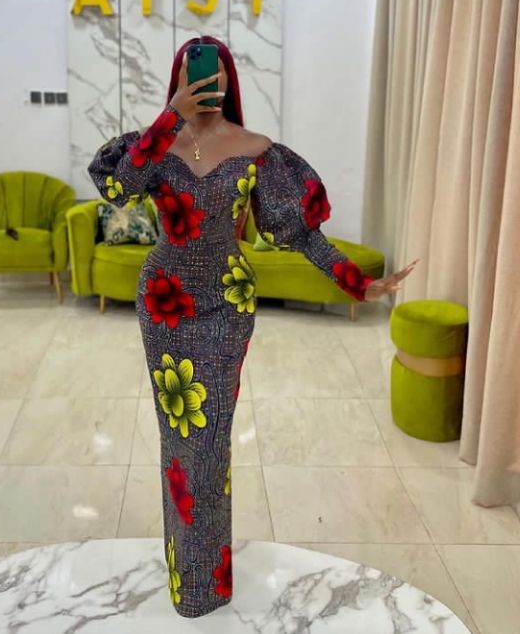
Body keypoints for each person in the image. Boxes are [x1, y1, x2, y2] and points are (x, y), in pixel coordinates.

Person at [88, 35, 418, 618]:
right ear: (178, 77)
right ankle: (190, 578)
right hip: (164, 303)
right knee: (179, 438)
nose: (206, 81)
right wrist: (170, 118)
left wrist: (358, 283)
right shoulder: (153, 146)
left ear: (229, 78)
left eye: (215, 71)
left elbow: (298, 233)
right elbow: (117, 188)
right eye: (194, 71)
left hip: (228, 303)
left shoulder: (258, 151)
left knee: (210, 438)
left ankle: (207, 581)